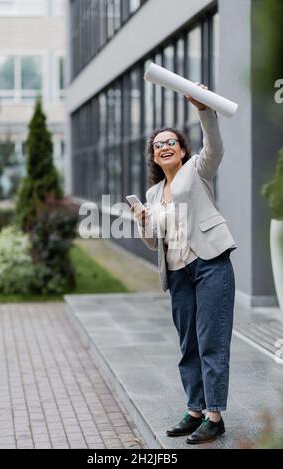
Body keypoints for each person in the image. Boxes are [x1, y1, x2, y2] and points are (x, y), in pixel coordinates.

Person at [132, 84, 237, 445]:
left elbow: (216, 147)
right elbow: (152, 243)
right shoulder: (150, 194)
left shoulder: (197, 170)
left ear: (181, 149)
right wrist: (144, 220)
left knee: (211, 340)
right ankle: (194, 411)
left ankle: (214, 416)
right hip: (178, 272)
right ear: (154, 156)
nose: (164, 146)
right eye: (157, 145)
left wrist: (203, 109)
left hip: (209, 263)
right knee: (188, 344)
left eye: (170, 142)